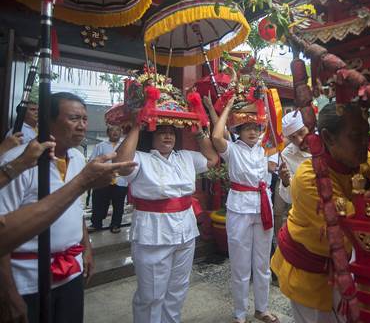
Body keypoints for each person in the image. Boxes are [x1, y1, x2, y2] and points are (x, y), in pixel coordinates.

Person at [271, 102, 370, 323]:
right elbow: (354, 226)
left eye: (365, 135)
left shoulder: (359, 159)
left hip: (344, 266)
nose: (363, 143)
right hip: (310, 273)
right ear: (329, 138)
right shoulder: (310, 177)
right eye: (355, 136)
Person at [0, 92, 95, 323]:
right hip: (26, 277)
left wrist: (86, 247)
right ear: (48, 121)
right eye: (74, 118)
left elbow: (75, 207)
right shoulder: (18, 161)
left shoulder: (78, 158)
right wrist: (9, 293)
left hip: (70, 271)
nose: (82, 126)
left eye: (84, 119)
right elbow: (3, 229)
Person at [114, 120, 219, 323]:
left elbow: (213, 159)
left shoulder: (185, 157)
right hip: (153, 233)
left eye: (171, 132)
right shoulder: (141, 159)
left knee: (178, 290)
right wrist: (137, 124)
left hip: (186, 231)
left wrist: (198, 132)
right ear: (150, 136)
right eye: (161, 132)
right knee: (151, 295)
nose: (168, 136)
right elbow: (120, 163)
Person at [212, 97, 280, 323]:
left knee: (262, 264)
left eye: (256, 127)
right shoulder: (231, 150)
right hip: (240, 208)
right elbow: (215, 136)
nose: (252, 132)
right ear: (238, 130)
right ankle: (239, 313)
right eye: (247, 128)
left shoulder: (265, 151)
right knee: (241, 265)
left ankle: (262, 309)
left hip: (263, 208)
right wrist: (228, 107)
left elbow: (282, 139)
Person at [273, 111, 312, 236]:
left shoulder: (327, 142)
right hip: (306, 218)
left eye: (301, 132)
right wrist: (285, 182)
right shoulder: (286, 156)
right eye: (293, 137)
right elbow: (289, 199)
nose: (299, 140)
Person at [88, 125, 129, 233]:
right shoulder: (100, 146)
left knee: (119, 204)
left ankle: (116, 224)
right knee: (99, 203)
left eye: (118, 130)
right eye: (112, 130)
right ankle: (96, 224)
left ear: (121, 132)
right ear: (107, 133)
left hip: (120, 180)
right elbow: (92, 161)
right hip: (103, 179)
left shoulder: (125, 146)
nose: (115, 132)